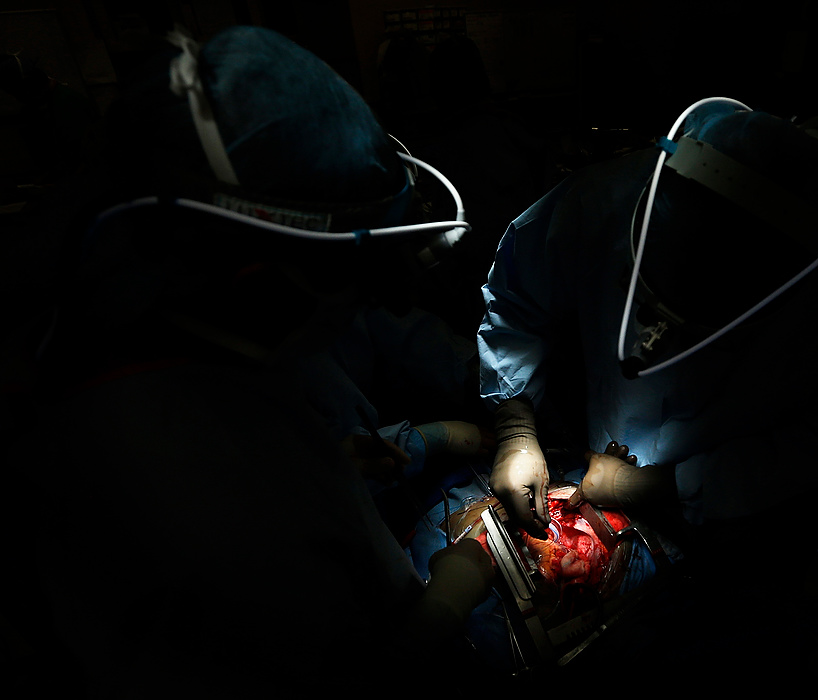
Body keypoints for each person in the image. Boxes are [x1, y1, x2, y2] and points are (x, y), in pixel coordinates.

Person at [10, 25, 497, 696]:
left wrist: (356, 458)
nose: (361, 310)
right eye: (352, 287)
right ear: (260, 281)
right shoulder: (220, 533)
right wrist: (443, 603)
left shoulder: (150, 329)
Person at [479, 98, 818, 565]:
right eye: (653, 302)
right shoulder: (607, 199)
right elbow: (517, 301)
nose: (658, 344)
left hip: (753, 516)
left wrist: (678, 487)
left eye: (705, 321)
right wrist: (516, 426)